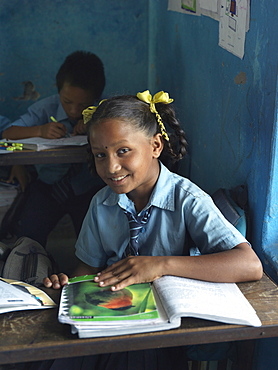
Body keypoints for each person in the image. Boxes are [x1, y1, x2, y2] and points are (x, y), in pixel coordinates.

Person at [41, 90, 262, 370]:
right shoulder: (102, 202)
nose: (111, 167)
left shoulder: (187, 200)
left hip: (159, 332)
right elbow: (87, 267)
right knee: (57, 354)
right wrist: (71, 288)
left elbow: (249, 265)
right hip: (107, 315)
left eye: (123, 151)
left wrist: (159, 265)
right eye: (100, 155)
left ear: (155, 145)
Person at [2, 51, 105, 247]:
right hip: (47, 186)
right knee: (28, 237)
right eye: (67, 102)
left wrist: (94, 126)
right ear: (59, 92)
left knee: (96, 242)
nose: (74, 110)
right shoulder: (45, 109)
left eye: (83, 105)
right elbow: (8, 133)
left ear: (96, 97)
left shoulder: (105, 109)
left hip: (88, 187)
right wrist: (39, 130)